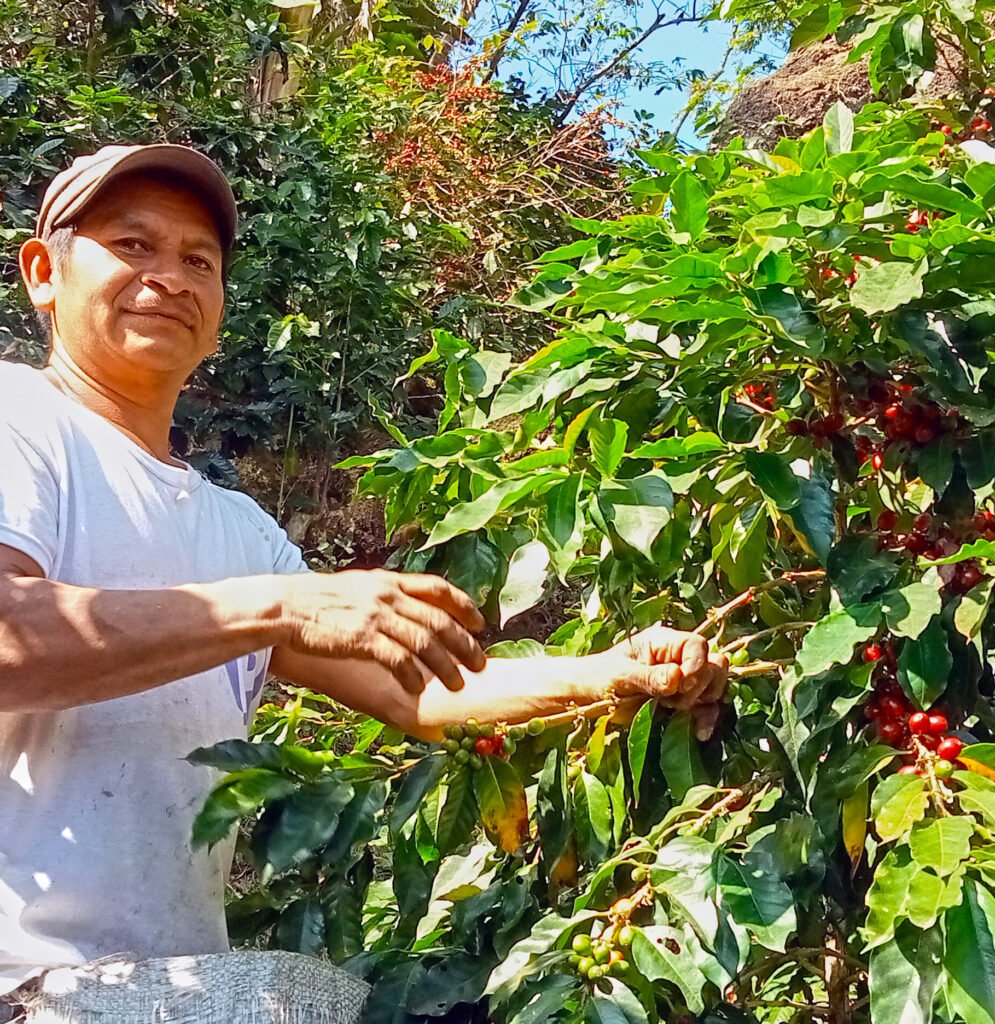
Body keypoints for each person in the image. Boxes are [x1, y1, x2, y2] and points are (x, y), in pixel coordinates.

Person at [0, 144, 728, 1002]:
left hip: (174, 984)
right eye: (132, 245)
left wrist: (616, 671)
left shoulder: (239, 530)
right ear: (45, 273)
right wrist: (278, 607)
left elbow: (420, 696)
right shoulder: (21, 418)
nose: (169, 276)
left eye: (199, 260)